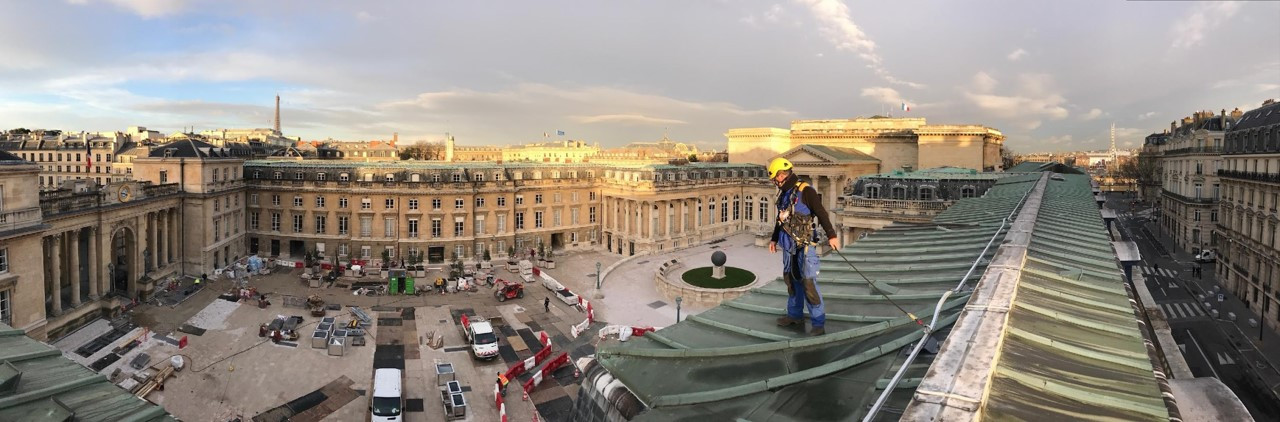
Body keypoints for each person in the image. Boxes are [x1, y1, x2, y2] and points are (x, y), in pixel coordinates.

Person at [767, 158, 839, 336]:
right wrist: (774, 239)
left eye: (776, 178)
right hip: (788, 246)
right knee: (791, 281)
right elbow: (780, 220)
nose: (775, 182)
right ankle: (794, 315)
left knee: (808, 283)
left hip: (805, 246)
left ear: (782, 175)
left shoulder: (806, 191)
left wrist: (831, 235)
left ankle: (818, 323)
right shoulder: (784, 194)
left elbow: (821, 212)